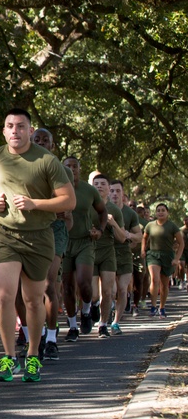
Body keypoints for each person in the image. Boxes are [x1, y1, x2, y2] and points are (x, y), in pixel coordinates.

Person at [0, 108, 75, 383]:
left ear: (30, 131)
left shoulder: (47, 160)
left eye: (21, 126)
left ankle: (32, 356)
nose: (15, 131)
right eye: (10, 126)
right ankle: (8, 358)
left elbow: (68, 201)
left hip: (39, 235)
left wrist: (35, 204)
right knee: (5, 296)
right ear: (4, 131)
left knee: (32, 298)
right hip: (3, 233)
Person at [30, 128, 71, 360]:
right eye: (37, 139)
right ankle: (33, 334)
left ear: (52, 146)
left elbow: (67, 207)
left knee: (48, 285)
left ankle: (52, 338)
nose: (41, 143)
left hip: (55, 229)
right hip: (30, 228)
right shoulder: (21, 165)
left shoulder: (61, 170)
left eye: (46, 140)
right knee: (28, 289)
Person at [61, 156, 107, 340]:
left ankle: (87, 310)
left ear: (80, 169)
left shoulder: (89, 190)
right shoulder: (56, 188)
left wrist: (101, 230)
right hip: (63, 241)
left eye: (74, 166)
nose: (71, 169)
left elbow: (102, 211)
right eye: (67, 167)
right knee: (67, 287)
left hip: (85, 241)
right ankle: (72, 326)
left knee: (84, 283)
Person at [90, 174, 126, 338]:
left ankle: (103, 324)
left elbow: (122, 238)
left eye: (102, 184)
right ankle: (92, 306)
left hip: (108, 253)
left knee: (108, 292)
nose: (99, 186)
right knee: (94, 294)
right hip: (89, 252)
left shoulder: (115, 210)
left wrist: (113, 224)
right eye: (95, 183)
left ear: (108, 188)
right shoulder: (87, 206)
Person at [108, 179, 141, 335]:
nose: (115, 194)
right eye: (112, 191)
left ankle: (115, 323)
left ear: (123, 194)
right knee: (111, 290)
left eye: (118, 191)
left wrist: (130, 235)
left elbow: (139, 236)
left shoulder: (130, 213)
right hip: (107, 253)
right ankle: (105, 311)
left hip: (125, 254)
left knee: (122, 289)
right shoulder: (102, 210)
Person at [142, 203, 185, 317]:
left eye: (163, 210)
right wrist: (143, 250)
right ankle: (153, 306)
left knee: (164, 284)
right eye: (158, 210)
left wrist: (176, 258)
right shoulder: (150, 225)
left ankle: (162, 307)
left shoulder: (172, 226)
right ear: (155, 213)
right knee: (154, 279)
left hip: (167, 256)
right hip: (153, 255)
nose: (160, 212)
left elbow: (181, 243)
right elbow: (144, 238)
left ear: (167, 213)